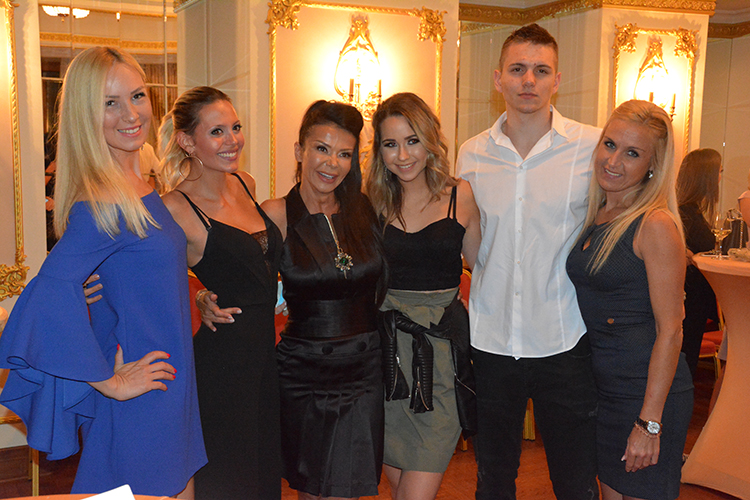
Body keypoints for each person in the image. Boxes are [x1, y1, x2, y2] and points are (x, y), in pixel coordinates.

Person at [0, 47, 205, 497]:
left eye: (136, 95)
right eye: (110, 102)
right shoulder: (102, 203)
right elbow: (45, 296)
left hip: (170, 384)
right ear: (85, 114)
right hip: (143, 394)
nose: (130, 114)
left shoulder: (141, 188)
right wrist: (108, 382)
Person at [200, 100, 386, 499]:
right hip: (305, 372)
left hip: (364, 368)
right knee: (314, 489)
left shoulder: (364, 210)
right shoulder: (276, 214)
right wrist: (200, 294)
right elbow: (233, 271)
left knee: (351, 488)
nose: (332, 163)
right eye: (321, 148)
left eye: (344, 154)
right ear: (299, 150)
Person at [456, 23, 601, 499]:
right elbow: (471, 244)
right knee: (493, 480)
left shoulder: (590, 147)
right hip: (491, 339)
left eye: (541, 70)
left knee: (574, 481)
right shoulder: (472, 154)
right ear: (498, 79)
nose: (528, 81)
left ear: (557, 80)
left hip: (564, 336)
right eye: (518, 69)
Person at [159, 87, 283, 499]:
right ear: (187, 141)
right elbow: (157, 281)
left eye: (236, 127)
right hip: (222, 364)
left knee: (263, 473)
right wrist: (197, 297)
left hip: (266, 356)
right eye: (217, 131)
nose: (233, 140)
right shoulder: (174, 207)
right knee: (229, 477)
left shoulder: (245, 183)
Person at [567, 99, 693, 500]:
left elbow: (671, 330)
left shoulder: (654, 224)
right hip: (604, 390)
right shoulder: (597, 214)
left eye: (632, 153)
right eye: (610, 144)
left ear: (652, 165)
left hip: (647, 396)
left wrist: (649, 423)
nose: (613, 161)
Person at [364, 92, 481, 500]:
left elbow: (485, 271)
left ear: (430, 139)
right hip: (383, 354)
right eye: (390, 144)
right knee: (401, 487)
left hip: (439, 354)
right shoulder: (370, 201)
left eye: (412, 140)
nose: (402, 155)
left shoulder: (461, 195)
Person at [676, 148, 721, 379]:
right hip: (690, 298)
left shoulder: (690, 211)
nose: (720, 177)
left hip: (696, 297)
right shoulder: (684, 214)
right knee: (684, 359)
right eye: (719, 171)